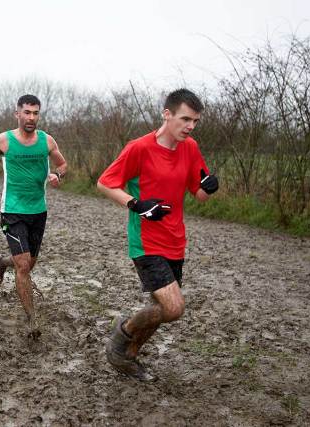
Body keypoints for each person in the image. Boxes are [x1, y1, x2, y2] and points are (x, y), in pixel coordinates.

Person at [97, 88, 219, 381]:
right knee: (173, 307)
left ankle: (128, 357)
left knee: (159, 308)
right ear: (167, 114)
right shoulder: (139, 147)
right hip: (146, 241)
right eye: (185, 119)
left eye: (195, 121)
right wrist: (137, 204)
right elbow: (104, 183)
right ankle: (122, 333)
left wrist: (210, 186)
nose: (190, 126)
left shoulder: (190, 148)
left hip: (176, 240)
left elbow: (199, 194)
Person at [0, 94, 67, 339]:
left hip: (38, 211)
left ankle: (1, 263)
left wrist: (57, 175)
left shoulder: (47, 141)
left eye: (35, 113)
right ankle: (32, 321)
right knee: (24, 266)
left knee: (28, 263)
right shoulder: (4, 140)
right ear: (17, 114)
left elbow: (63, 165)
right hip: (12, 210)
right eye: (27, 112)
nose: (31, 117)